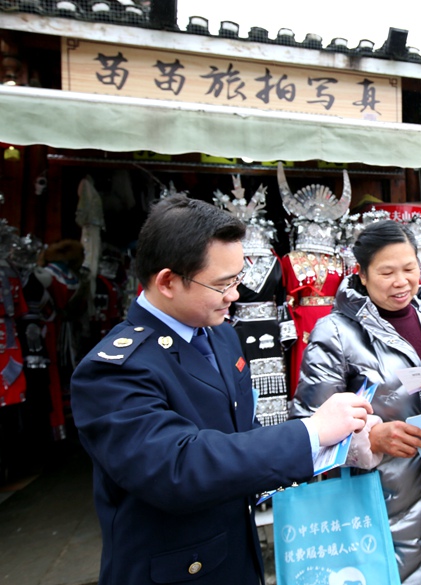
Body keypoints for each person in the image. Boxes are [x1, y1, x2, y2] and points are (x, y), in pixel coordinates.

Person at [70, 195, 372, 585]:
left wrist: (336, 446)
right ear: (167, 282)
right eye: (221, 284)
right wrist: (311, 432)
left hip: (235, 559)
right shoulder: (113, 370)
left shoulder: (221, 336)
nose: (235, 295)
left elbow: (242, 439)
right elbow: (179, 467)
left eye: (237, 279)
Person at [290, 219, 421, 585]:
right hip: (373, 501)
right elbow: (308, 427)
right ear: (361, 275)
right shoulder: (336, 334)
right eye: (387, 272)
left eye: (409, 269)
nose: (401, 282)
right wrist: (371, 440)